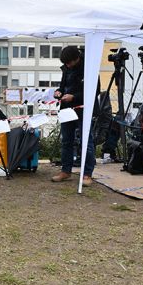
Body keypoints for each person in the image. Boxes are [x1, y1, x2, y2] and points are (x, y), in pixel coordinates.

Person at [51, 46, 96, 186]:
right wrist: (58, 92)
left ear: (77, 59)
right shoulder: (66, 68)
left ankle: (87, 174)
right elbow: (62, 86)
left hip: (83, 109)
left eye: (69, 63)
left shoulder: (89, 68)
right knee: (66, 141)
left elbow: (95, 91)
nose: (67, 65)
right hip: (66, 109)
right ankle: (66, 171)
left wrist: (74, 97)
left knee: (86, 141)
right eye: (65, 63)